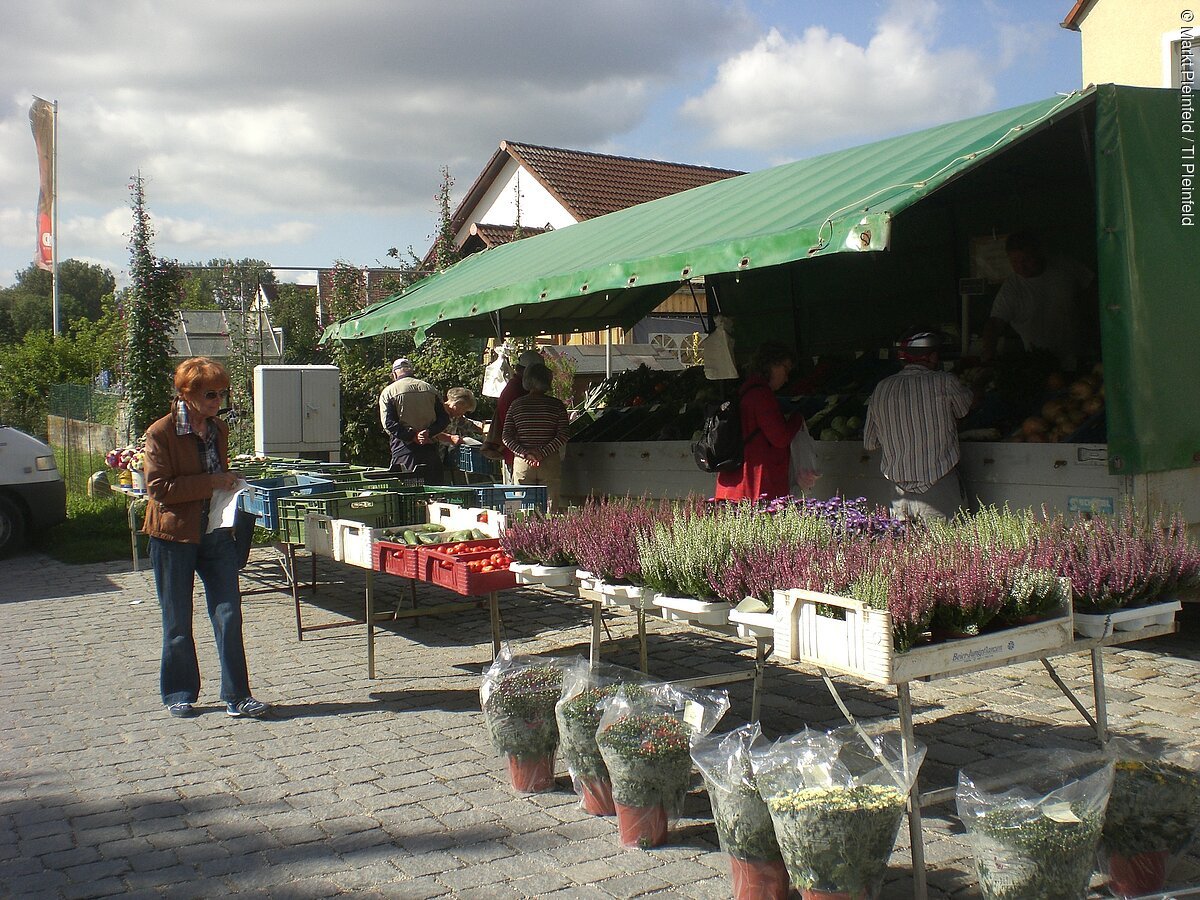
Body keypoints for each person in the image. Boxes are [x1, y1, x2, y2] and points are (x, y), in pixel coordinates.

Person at [141, 357, 269, 719]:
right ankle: (179, 692)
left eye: (222, 394)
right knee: (178, 618)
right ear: (187, 394)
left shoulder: (217, 429)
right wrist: (211, 482)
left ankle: (238, 695)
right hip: (173, 535)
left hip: (215, 531)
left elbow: (215, 473)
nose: (218, 401)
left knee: (229, 613)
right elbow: (159, 488)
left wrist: (231, 480)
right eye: (211, 394)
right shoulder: (161, 432)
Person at [864, 332, 975, 522]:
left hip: (898, 495)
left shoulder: (881, 388)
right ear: (932, 357)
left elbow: (870, 443)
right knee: (947, 549)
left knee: (905, 550)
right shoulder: (945, 382)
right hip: (938, 487)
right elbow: (966, 410)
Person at [980, 231, 1097, 369]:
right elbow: (994, 324)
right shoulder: (1011, 289)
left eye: (1026, 260)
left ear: (1039, 253)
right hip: (1041, 364)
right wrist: (988, 359)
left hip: (1083, 355)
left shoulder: (1066, 267)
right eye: (1015, 262)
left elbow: (1095, 288)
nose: (1021, 267)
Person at [714, 342, 805, 502]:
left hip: (734, 483)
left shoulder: (746, 391)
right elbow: (780, 438)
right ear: (773, 365)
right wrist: (796, 419)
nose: (787, 377)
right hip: (754, 485)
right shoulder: (762, 396)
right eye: (786, 368)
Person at [502, 363, 570, 510]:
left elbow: (506, 436)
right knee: (550, 507)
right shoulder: (557, 406)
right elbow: (563, 434)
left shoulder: (516, 405)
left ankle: (526, 532)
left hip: (523, 462)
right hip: (550, 460)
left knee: (524, 506)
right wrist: (543, 452)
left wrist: (525, 453)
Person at [378, 357, 449, 483]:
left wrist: (413, 436)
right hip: (430, 448)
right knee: (434, 491)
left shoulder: (389, 392)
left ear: (394, 374)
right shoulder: (430, 389)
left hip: (404, 450)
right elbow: (443, 419)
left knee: (408, 493)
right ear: (411, 371)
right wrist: (428, 432)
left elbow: (389, 424)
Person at [483, 348, 542, 483]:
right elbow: (514, 429)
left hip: (519, 454)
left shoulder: (515, 388)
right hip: (521, 455)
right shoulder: (518, 393)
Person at [434, 387, 483, 484]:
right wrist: (450, 438)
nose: (463, 413)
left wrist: (486, 428)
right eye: (464, 409)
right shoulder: (436, 413)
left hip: (442, 458)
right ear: (457, 404)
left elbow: (471, 425)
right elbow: (428, 432)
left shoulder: (457, 417)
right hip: (430, 455)